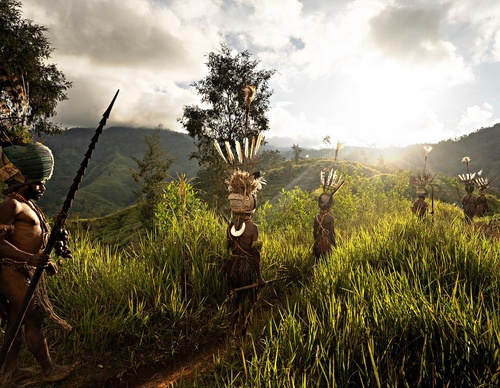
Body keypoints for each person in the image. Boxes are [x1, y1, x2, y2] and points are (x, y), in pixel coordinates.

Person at [0, 143, 74, 384]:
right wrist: (30, 259)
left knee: (16, 322)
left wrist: (45, 258)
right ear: (23, 181)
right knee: (33, 316)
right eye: (38, 182)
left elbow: (31, 239)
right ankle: (48, 368)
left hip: (24, 270)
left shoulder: (29, 204)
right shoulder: (12, 204)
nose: (43, 187)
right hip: (9, 270)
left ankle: (10, 371)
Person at [223, 171, 266, 336]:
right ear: (251, 204)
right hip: (246, 269)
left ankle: (231, 328)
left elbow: (227, 248)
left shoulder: (230, 226)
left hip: (233, 267)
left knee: (236, 298)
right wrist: (259, 276)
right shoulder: (252, 228)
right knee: (249, 299)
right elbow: (255, 254)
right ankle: (243, 331)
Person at [313, 192, 336, 259]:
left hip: (318, 243)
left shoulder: (316, 217)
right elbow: (332, 233)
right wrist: (334, 244)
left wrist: (316, 242)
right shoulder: (330, 218)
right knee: (328, 259)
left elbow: (314, 232)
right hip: (328, 243)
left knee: (317, 259)